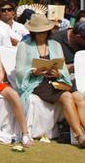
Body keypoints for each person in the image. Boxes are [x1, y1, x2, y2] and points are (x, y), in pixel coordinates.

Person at [14, 13, 85, 147]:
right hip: (37, 82)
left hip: (57, 79)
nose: (42, 35)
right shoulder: (25, 45)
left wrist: (57, 72)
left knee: (79, 97)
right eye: (39, 32)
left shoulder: (54, 44)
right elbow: (19, 69)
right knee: (66, 97)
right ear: (33, 32)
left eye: (44, 32)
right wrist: (34, 71)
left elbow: (62, 67)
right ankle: (79, 134)